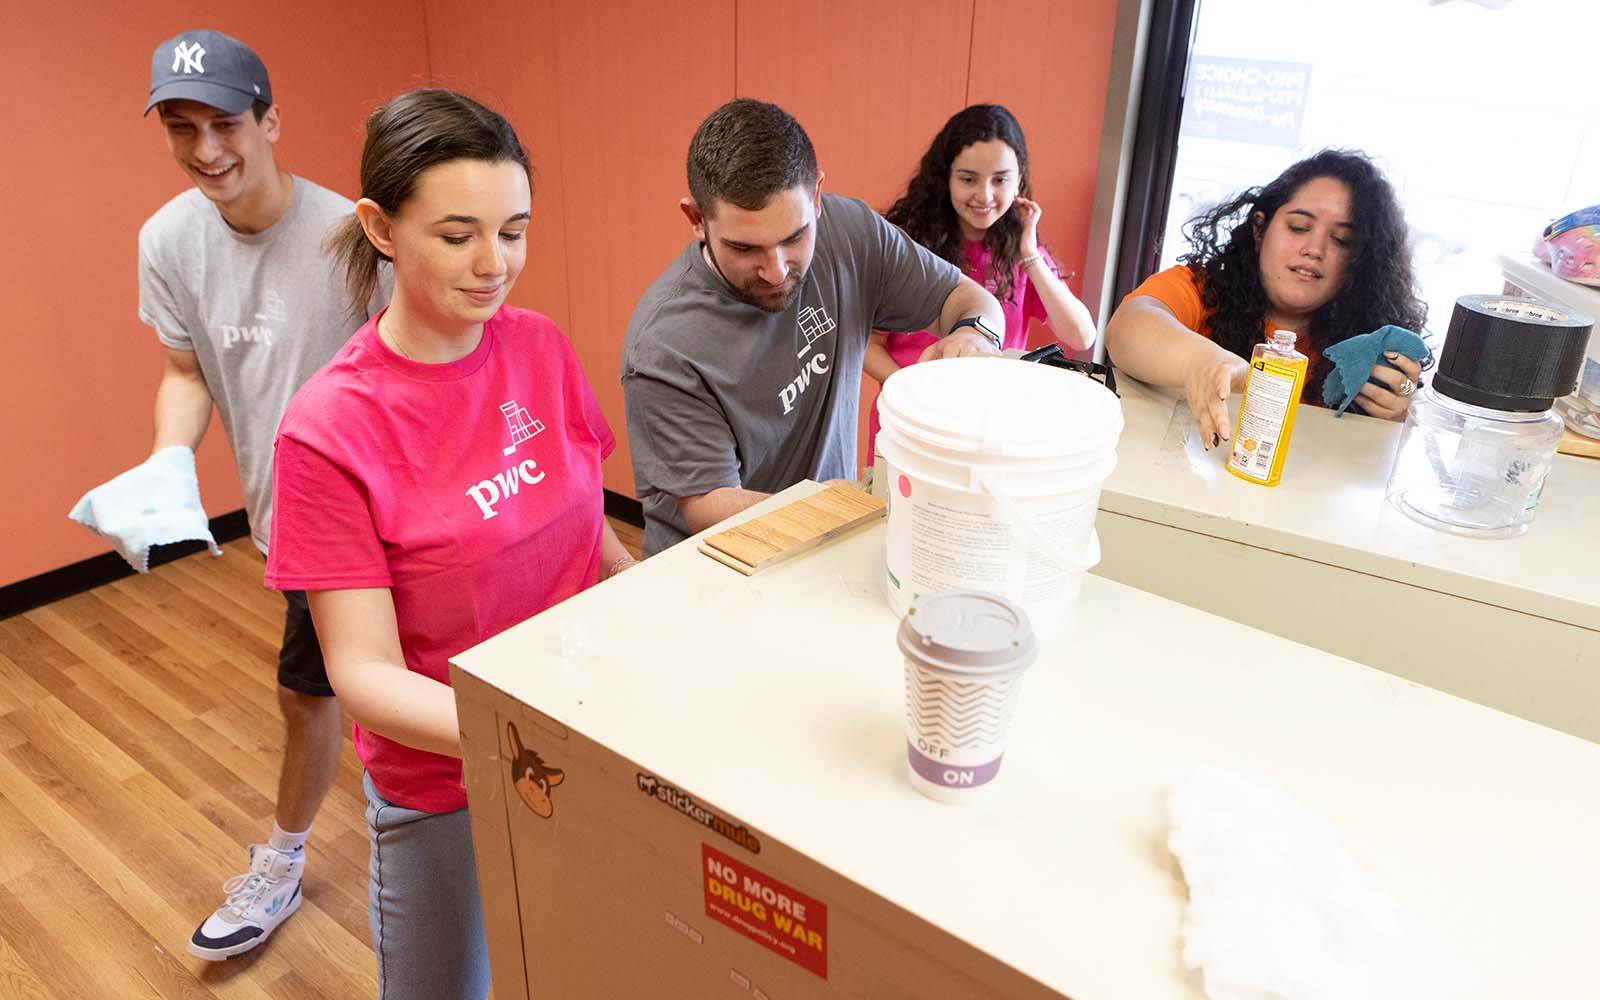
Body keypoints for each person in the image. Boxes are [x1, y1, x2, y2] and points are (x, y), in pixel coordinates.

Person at [264, 89, 633, 1000]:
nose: (494, 264)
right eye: (459, 234)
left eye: (514, 231)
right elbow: (364, 676)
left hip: (592, 734)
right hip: (449, 784)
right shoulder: (328, 430)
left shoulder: (539, 349)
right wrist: (528, 722)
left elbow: (593, 542)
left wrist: (658, 619)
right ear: (381, 228)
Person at [136, 28, 388, 960]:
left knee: (380, 690)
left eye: (227, 123)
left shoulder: (349, 236)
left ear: (271, 119)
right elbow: (184, 369)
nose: (208, 149)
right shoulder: (167, 241)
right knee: (312, 698)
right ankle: (286, 863)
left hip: (392, 514)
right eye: (181, 126)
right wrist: (169, 463)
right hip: (297, 526)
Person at [621, 99, 1007, 556]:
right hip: (716, 570)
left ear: (818, 196)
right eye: (746, 248)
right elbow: (709, 504)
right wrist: (850, 517)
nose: (777, 270)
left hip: (825, 545)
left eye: (794, 237)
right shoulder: (666, 342)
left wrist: (974, 334)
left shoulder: (850, 232)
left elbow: (969, 300)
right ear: (696, 220)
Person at [1104, 149, 1429, 447]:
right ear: (1260, 229)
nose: (1314, 250)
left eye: (1341, 240)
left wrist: (1397, 413)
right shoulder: (1203, 288)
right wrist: (1202, 362)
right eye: (1299, 227)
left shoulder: (1370, 346)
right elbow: (1126, 328)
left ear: (1361, 260)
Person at [866, 104, 1097, 443]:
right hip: (909, 422)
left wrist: (1030, 255)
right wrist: (910, 393)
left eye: (1000, 180)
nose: (984, 196)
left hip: (988, 429)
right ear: (945, 177)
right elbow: (867, 344)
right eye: (968, 179)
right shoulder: (907, 243)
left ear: (1019, 180)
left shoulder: (1020, 250)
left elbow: (1081, 335)